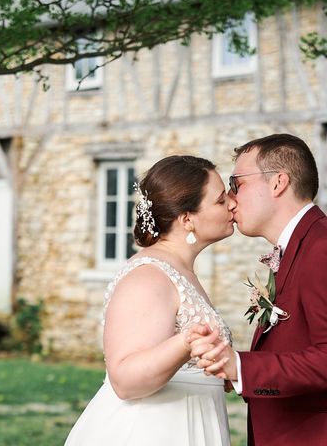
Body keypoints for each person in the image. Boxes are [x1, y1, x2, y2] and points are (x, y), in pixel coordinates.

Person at [190, 134, 327, 446]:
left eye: (237, 183)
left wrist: (240, 366)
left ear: (278, 183)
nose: (233, 198)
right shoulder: (305, 245)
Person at [65, 155, 236, 446]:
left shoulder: (178, 270)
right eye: (220, 200)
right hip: (154, 431)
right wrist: (185, 344)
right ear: (187, 219)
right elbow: (125, 380)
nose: (232, 203)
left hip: (191, 421)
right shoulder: (149, 277)